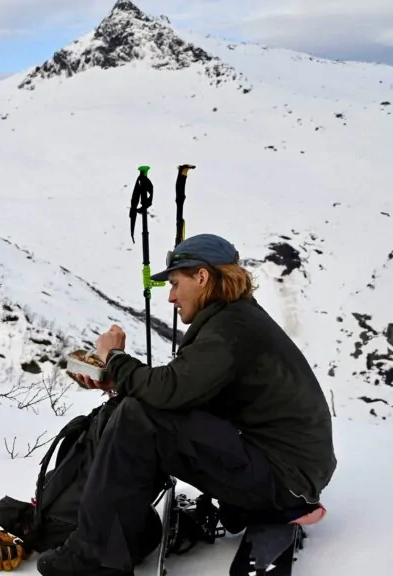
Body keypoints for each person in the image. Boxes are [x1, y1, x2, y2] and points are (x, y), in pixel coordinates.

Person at [36, 233, 337, 576]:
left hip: (285, 479)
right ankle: (111, 541)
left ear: (203, 277)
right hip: (284, 470)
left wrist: (115, 358)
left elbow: (169, 391)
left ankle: (94, 560)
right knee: (136, 410)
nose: (172, 297)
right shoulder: (233, 319)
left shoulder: (230, 327)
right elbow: (188, 393)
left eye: (176, 284)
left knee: (141, 416)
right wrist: (116, 382)